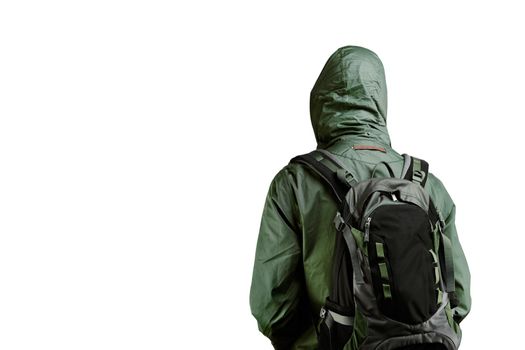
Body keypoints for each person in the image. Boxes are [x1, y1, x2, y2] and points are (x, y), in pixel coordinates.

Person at [249, 46, 471, 350]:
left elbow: (272, 304)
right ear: (379, 101)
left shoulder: (295, 183)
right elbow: (457, 295)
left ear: (320, 104)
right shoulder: (426, 183)